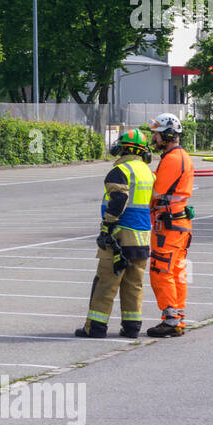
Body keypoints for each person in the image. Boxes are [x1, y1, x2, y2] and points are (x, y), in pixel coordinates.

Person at [75, 128, 155, 338]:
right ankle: (131, 328)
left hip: (120, 236)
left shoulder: (120, 171)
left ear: (123, 147)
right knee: (134, 285)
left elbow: (119, 199)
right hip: (142, 236)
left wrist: (107, 227)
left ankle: (96, 327)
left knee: (107, 283)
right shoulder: (147, 172)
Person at [147, 113, 195, 337]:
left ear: (168, 134)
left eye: (156, 133)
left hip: (168, 225)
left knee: (160, 270)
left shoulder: (172, 159)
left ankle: (170, 319)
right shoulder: (181, 156)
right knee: (177, 271)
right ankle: (178, 317)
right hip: (180, 223)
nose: (153, 138)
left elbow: (155, 193)